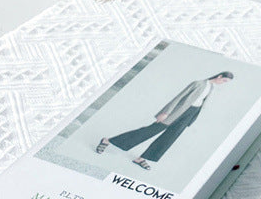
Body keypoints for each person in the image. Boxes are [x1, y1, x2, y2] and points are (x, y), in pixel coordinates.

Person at [95, 71, 234, 170]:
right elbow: (179, 97)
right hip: (176, 113)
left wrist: (191, 120)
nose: (223, 83)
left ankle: (141, 159)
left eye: (225, 83)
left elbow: (200, 104)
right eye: (224, 80)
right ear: (219, 76)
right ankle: (108, 141)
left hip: (189, 115)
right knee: (148, 132)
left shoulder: (212, 88)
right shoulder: (199, 83)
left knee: (169, 139)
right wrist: (165, 112)